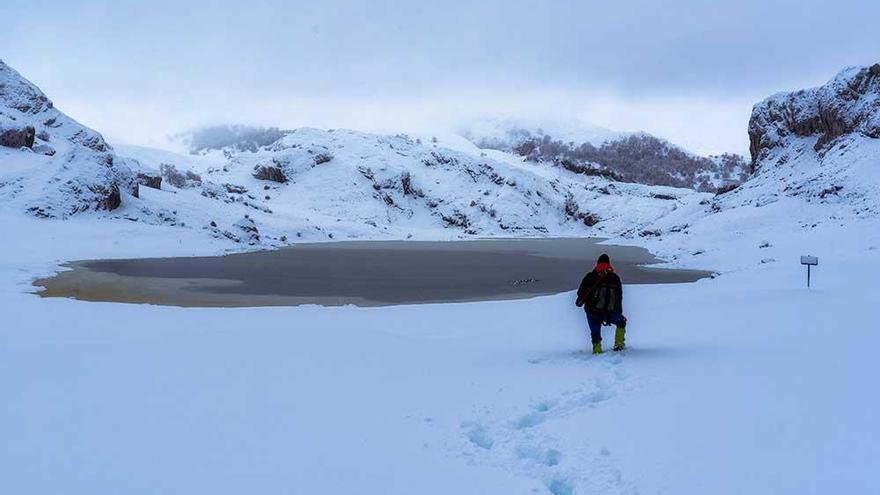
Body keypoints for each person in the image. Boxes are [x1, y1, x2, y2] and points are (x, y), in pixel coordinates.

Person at [576, 253, 627, 354]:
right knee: (621, 322)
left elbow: (580, 293)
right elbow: (619, 297)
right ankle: (619, 344)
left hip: (592, 311)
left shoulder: (590, 276)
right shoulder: (615, 278)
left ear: (597, 263)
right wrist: (618, 312)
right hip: (609, 312)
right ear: (609, 264)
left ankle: (597, 348)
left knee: (595, 330)